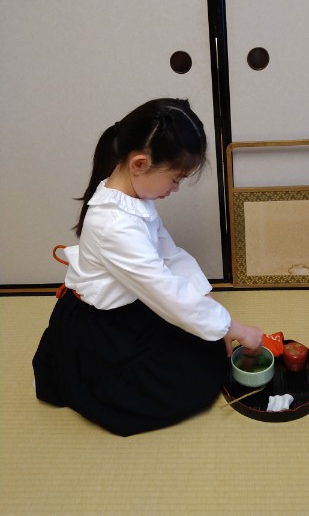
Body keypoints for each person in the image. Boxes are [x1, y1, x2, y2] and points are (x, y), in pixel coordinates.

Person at [32, 98, 263, 436]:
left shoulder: (132, 198)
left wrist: (210, 305)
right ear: (139, 163)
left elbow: (169, 256)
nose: (176, 189)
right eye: (175, 178)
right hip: (102, 328)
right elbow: (163, 289)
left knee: (206, 342)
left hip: (133, 306)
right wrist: (233, 326)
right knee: (189, 380)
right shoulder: (113, 225)